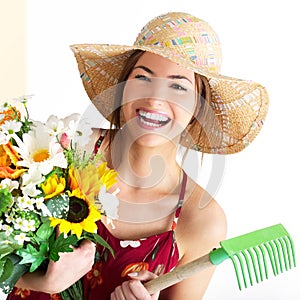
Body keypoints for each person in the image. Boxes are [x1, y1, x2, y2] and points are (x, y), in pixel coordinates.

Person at [7, 12, 269, 300]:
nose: (155, 99)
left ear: (199, 109)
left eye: (179, 86)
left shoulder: (201, 219)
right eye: (143, 77)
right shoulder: (63, 150)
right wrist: (42, 283)